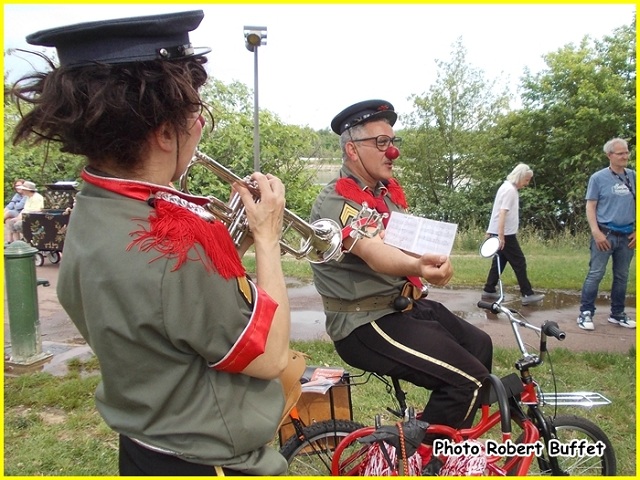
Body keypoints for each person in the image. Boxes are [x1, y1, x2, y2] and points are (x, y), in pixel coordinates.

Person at [12, 10, 292, 475]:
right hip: (208, 461)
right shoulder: (174, 250)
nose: (199, 126)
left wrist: (227, 241)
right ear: (165, 133)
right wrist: (267, 237)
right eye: (195, 114)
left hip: (144, 446)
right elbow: (270, 355)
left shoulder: (91, 209)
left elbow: (163, 309)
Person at [310, 99, 493, 441]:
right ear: (352, 150)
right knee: (467, 382)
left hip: (400, 306)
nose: (391, 151)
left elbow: (405, 241)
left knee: (480, 345)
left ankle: (437, 436)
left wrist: (432, 258)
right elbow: (374, 252)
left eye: (393, 142)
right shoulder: (337, 201)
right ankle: (432, 464)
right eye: (381, 143)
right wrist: (416, 265)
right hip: (365, 322)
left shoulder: (386, 193)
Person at [577, 138, 636, 331]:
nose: (625, 156)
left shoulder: (633, 176)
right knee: (596, 274)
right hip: (605, 234)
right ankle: (586, 313)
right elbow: (590, 205)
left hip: (627, 235)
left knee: (622, 276)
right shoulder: (598, 178)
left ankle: (617, 314)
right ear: (609, 155)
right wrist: (596, 232)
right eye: (620, 153)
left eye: (626, 152)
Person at [481, 164, 544, 306]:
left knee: (500, 261)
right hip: (506, 234)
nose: (526, 184)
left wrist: (491, 231)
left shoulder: (505, 187)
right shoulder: (510, 190)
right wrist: (501, 236)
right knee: (519, 262)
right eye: (526, 180)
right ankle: (527, 294)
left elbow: (496, 211)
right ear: (520, 177)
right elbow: (502, 212)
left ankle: (489, 288)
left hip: (501, 232)